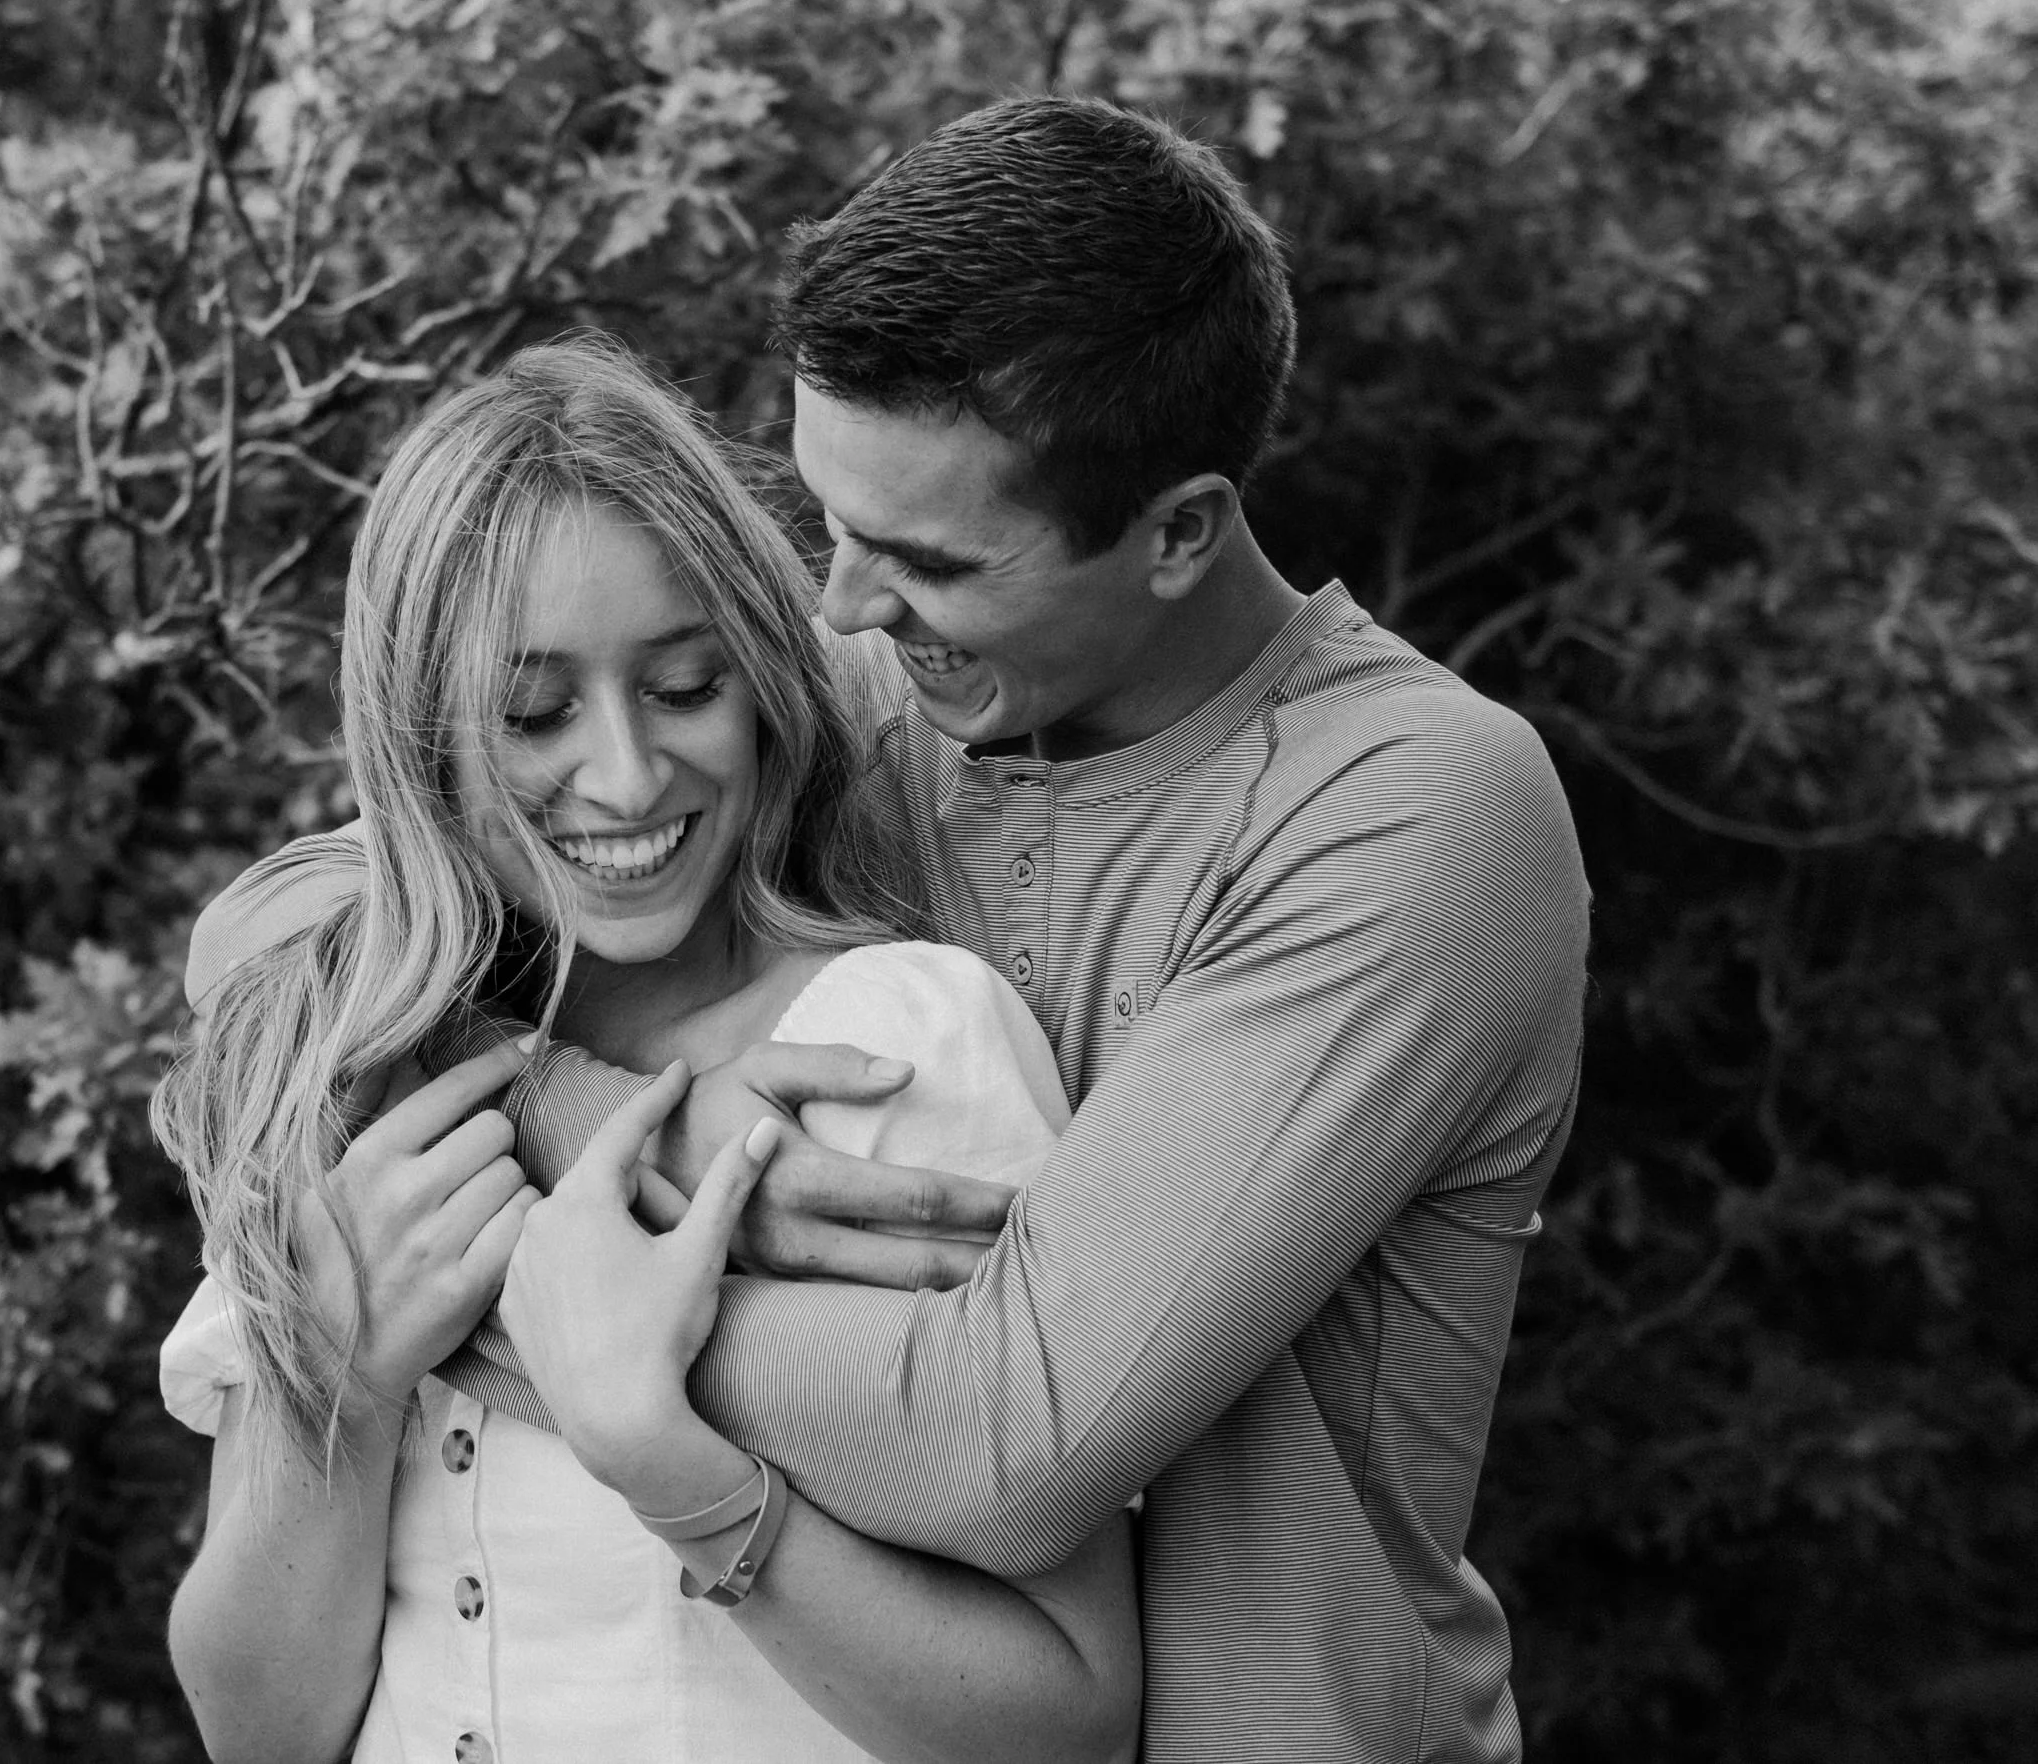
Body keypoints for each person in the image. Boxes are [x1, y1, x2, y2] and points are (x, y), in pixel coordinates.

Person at [209, 96, 1594, 1762]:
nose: (843, 602)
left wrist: (547, 1264)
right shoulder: (864, 705)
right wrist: (632, 1117)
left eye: (926, 556)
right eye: (830, 519)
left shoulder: (1411, 808)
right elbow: (286, 921)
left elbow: (1010, 1441)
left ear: (1180, 532)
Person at [149, 338, 1141, 1764]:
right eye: (534, 714)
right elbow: (258, 1727)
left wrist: (686, 1481)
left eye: (683, 687)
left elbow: (1068, 1721)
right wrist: (352, 1391)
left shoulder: (890, 1044)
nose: (623, 776)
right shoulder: (368, 1077)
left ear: (761, 688)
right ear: (420, 737)